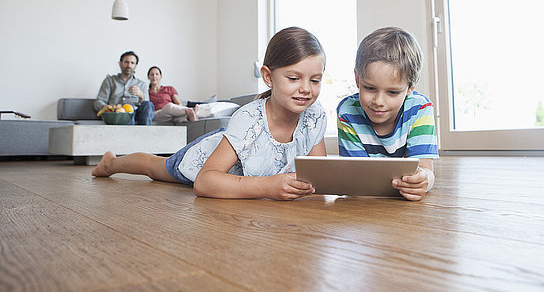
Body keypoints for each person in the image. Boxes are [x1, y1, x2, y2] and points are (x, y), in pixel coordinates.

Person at [92, 27, 327, 200]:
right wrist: (267, 187)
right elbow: (204, 183)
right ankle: (111, 163)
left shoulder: (314, 115)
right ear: (268, 77)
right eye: (294, 78)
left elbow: (319, 175)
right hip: (207, 159)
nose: (306, 88)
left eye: (315, 80)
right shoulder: (249, 118)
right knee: (155, 167)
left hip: (241, 162)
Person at [337, 27, 439, 201]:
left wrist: (424, 181)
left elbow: (425, 169)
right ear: (357, 78)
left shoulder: (420, 109)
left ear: (410, 88)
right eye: (369, 88)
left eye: (392, 92)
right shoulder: (348, 112)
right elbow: (357, 178)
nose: (379, 101)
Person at [93, 51, 154, 125]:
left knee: (148, 104)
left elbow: (147, 108)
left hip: (137, 113)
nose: (129, 65)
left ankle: (145, 134)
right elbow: (99, 101)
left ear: (135, 66)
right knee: (128, 106)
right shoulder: (110, 81)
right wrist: (105, 107)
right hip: (116, 113)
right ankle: (128, 134)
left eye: (132, 63)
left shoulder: (141, 84)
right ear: (120, 63)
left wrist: (141, 96)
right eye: (126, 62)